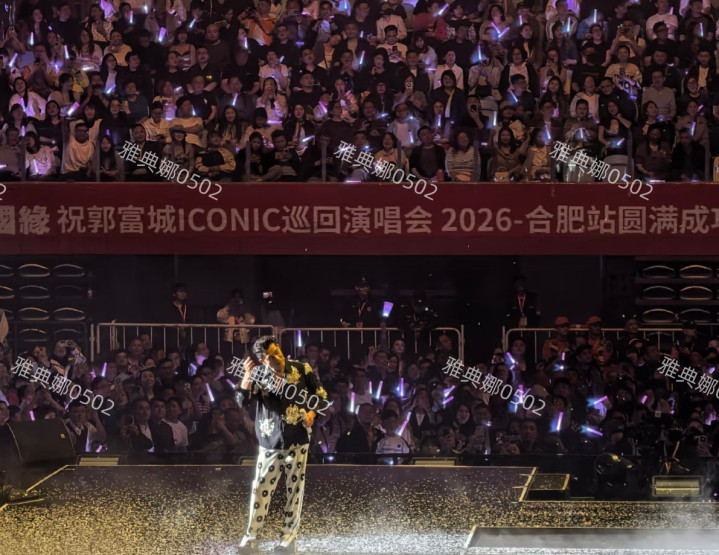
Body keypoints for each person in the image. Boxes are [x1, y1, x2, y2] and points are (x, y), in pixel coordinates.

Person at [237, 336, 328, 554]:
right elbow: (242, 401)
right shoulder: (258, 374)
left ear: (280, 348)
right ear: (262, 360)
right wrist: (247, 375)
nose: (276, 358)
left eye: (276, 352)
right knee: (260, 489)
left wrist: (312, 413)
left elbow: (322, 396)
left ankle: (288, 539)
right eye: (270, 357)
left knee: (294, 491)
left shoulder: (301, 369)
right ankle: (251, 538)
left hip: (297, 438)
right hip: (269, 441)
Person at [217, 289, 257, 358]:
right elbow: (220, 317)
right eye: (235, 298)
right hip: (230, 340)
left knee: (243, 359)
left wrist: (244, 311)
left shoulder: (245, 310)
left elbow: (251, 321)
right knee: (229, 359)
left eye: (239, 298)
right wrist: (229, 306)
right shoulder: (228, 311)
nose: (237, 300)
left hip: (243, 340)